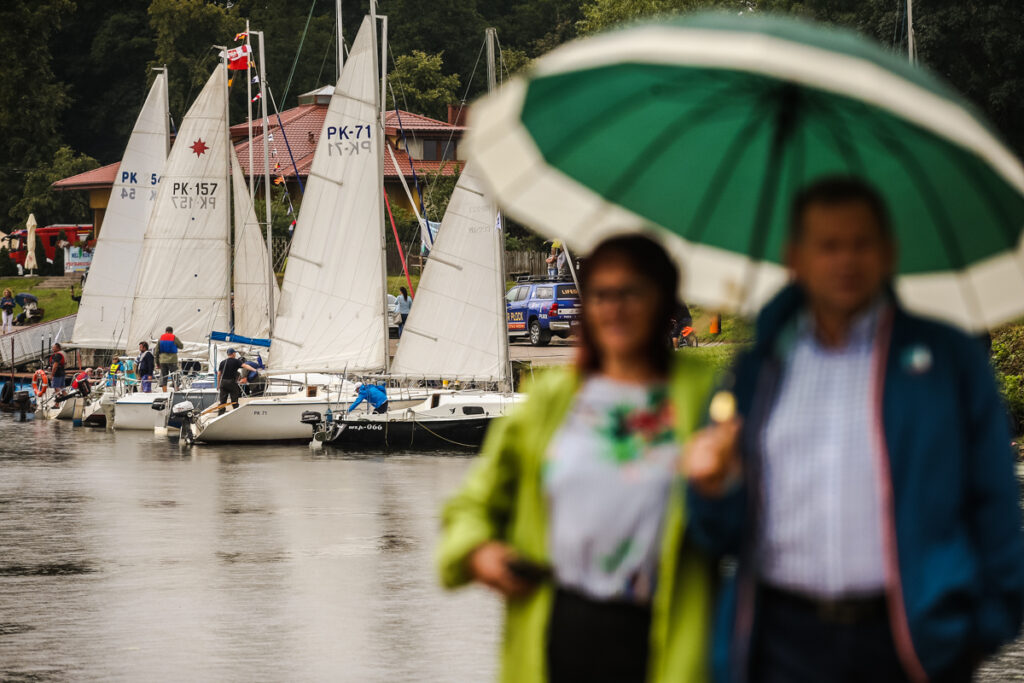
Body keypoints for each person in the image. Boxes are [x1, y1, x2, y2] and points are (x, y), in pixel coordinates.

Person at [684, 176, 1024, 683]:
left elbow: (995, 501)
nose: (845, 260)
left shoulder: (948, 361)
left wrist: (980, 632)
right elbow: (719, 533)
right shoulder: (755, 373)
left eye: (861, 244)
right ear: (795, 258)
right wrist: (714, 488)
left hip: (908, 647)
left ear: (888, 253)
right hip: (779, 645)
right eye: (828, 246)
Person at [438, 235, 718, 683]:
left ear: (662, 298)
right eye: (603, 294)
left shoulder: (705, 398)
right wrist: (478, 552)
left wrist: (724, 483)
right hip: (558, 631)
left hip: (665, 635)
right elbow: (471, 503)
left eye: (632, 292)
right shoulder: (554, 398)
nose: (616, 307)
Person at [216, 348, 256, 415]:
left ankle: (220, 415)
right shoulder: (236, 361)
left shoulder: (222, 362)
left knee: (222, 402)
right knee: (234, 401)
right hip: (231, 383)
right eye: (235, 353)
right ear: (233, 353)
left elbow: (219, 375)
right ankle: (236, 414)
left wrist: (218, 385)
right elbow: (245, 366)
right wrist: (254, 370)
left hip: (223, 383)